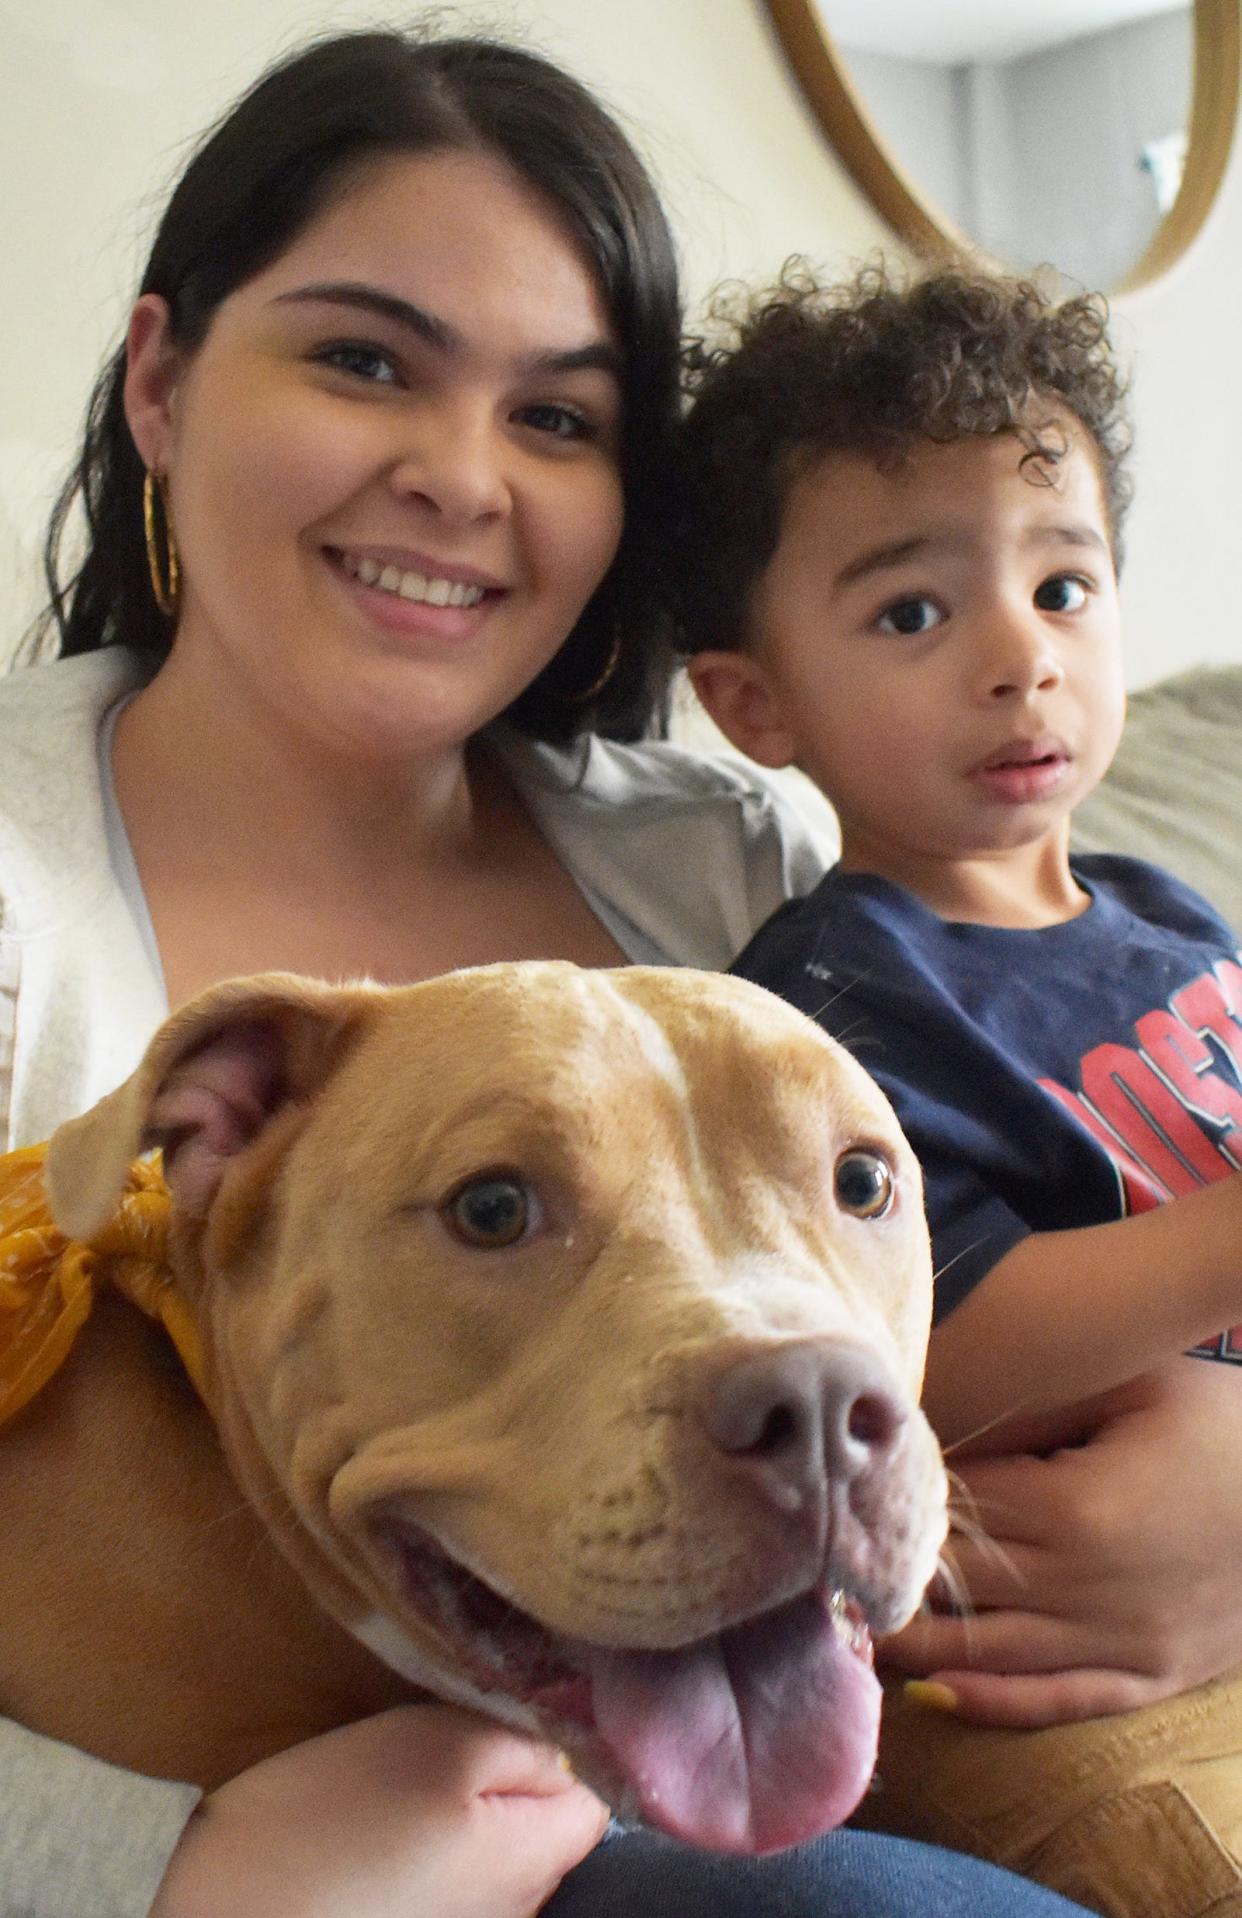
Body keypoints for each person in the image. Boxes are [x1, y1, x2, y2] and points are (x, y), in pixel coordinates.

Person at [0, 28, 1093, 1918]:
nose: (456, 477)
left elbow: (1042, 1233)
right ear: (163, 382)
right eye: (363, 360)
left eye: (561, 418)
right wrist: (150, 1867)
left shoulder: (742, 856)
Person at [680, 261, 1242, 1906]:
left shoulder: (1168, 912)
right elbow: (941, 1340)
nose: (1019, 657)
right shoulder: (825, 996)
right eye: (911, 612)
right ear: (752, 700)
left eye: (1062, 588)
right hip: (1059, 1659)